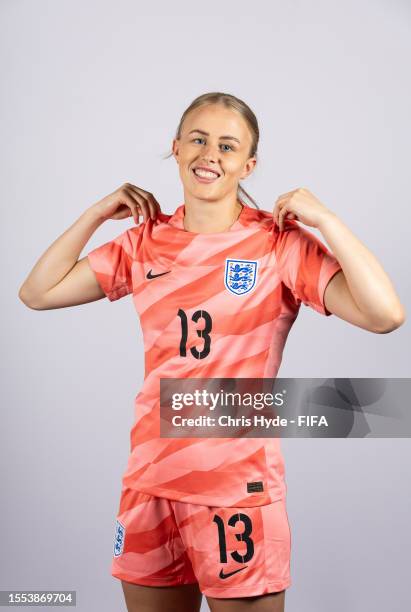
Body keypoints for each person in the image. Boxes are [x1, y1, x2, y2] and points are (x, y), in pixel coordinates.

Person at [18, 92, 406, 612]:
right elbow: (37, 293)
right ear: (175, 148)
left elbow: (385, 316)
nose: (210, 155)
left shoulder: (277, 243)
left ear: (248, 164)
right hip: (150, 481)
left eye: (228, 146)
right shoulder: (144, 242)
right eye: (198, 139)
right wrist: (96, 213)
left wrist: (328, 221)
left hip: (235, 489)